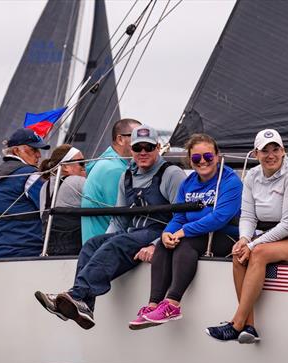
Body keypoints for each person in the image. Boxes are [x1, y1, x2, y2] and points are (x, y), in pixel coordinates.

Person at [34, 125, 186, 329]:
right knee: (92, 244)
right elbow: (119, 219)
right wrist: (103, 242)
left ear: (158, 148)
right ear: (131, 149)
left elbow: (182, 216)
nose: (142, 152)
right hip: (133, 232)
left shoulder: (172, 174)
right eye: (137, 147)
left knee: (119, 242)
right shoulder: (127, 176)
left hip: (158, 231)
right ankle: (84, 305)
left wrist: (155, 245)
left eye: (148, 147)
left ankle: (76, 295)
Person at [205, 129, 288, 343]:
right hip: (280, 239)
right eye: (265, 151)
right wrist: (245, 240)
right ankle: (249, 327)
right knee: (238, 253)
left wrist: (254, 245)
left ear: (284, 151)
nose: (271, 155)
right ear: (256, 154)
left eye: (276, 149)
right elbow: (247, 216)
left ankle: (236, 323)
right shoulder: (253, 176)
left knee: (259, 252)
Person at [129, 133, 243, 328]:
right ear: (190, 160)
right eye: (196, 158)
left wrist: (182, 232)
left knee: (185, 243)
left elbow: (219, 218)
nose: (203, 162)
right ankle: (153, 305)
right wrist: (167, 233)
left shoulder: (231, 181)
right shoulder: (187, 184)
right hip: (197, 235)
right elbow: (179, 216)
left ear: (217, 156)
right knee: (164, 246)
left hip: (226, 236)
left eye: (208, 157)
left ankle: (172, 303)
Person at [0, 128, 50, 258]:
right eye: (34, 150)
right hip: (27, 253)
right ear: (16, 151)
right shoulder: (30, 176)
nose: (39, 155)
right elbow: (51, 208)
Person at [80, 118, 141, 243]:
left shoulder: (106, 162)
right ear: (120, 139)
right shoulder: (115, 170)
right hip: (104, 249)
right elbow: (124, 217)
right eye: (136, 136)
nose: (142, 142)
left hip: (95, 244)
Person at [38, 144, 87, 256]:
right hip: (76, 251)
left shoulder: (44, 187)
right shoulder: (76, 181)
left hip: (50, 252)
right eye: (82, 163)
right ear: (65, 166)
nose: (85, 167)